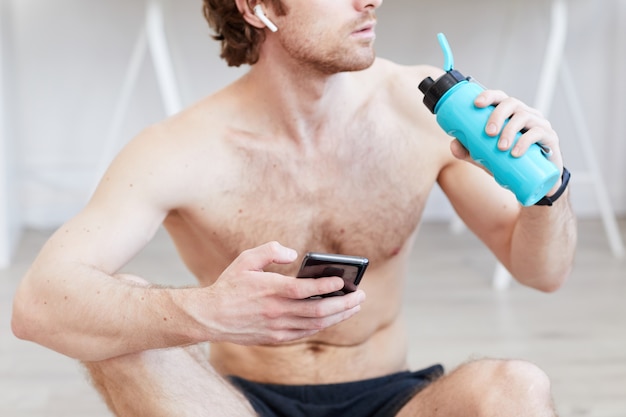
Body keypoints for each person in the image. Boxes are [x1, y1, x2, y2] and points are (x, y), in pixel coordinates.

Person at [12, 0, 577, 416]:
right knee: (127, 331)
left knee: (517, 388)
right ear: (259, 8)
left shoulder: (421, 110)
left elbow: (542, 271)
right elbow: (37, 304)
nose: (370, 1)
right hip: (237, 405)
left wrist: (549, 187)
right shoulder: (179, 149)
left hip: (392, 400)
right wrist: (209, 311)